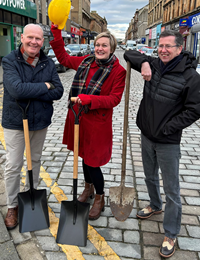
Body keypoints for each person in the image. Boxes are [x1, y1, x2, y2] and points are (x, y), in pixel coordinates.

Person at [124, 30, 200, 258]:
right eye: (160, 46)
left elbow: (195, 109)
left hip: (168, 141)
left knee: (172, 189)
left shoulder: (190, 77)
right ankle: (155, 205)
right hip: (146, 135)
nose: (163, 50)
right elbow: (128, 53)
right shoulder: (155, 64)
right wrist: (146, 62)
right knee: (148, 176)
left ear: (179, 48)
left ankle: (171, 233)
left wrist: (169, 127)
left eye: (168, 46)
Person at [50, 25, 126, 220]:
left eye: (104, 46)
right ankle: (88, 188)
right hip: (78, 118)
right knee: (82, 156)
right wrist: (57, 34)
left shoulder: (118, 71)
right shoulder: (86, 62)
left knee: (93, 162)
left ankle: (99, 197)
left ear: (112, 48)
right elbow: (64, 59)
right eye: (97, 45)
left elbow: (114, 99)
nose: (100, 48)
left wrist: (90, 100)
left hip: (97, 124)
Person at [2, 24, 64, 230]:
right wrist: (45, 86)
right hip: (15, 122)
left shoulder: (47, 62)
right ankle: (12, 205)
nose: (34, 42)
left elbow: (59, 91)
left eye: (38, 39)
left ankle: (30, 199)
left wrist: (37, 89)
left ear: (42, 41)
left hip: (39, 121)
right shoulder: (10, 60)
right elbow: (17, 90)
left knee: (34, 160)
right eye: (30, 37)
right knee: (13, 165)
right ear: (22, 37)